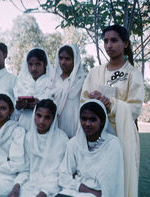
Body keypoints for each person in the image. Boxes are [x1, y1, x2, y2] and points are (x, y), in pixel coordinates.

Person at [80, 24, 144, 197]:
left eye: (114, 40)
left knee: (119, 181)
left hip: (123, 136)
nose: (109, 45)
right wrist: (94, 103)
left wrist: (112, 104)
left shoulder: (132, 74)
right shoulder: (95, 73)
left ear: (125, 44)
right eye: (106, 41)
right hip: (95, 137)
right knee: (95, 181)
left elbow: (135, 109)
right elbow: (83, 102)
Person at [58, 99, 124, 197]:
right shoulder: (74, 143)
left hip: (100, 193)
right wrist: (83, 188)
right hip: (76, 190)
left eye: (92, 119)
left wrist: (94, 193)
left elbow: (110, 183)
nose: (87, 124)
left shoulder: (112, 144)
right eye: (84, 119)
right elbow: (63, 176)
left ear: (102, 121)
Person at [8, 99, 69, 197]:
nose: (41, 121)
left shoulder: (62, 139)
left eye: (47, 117)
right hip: (29, 185)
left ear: (54, 118)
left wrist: (44, 192)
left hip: (52, 188)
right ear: (34, 115)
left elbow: (60, 174)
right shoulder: (28, 137)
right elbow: (25, 169)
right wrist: (16, 186)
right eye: (39, 116)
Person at [48, 44, 87, 138]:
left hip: (74, 125)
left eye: (67, 59)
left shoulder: (82, 80)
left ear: (75, 60)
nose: (63, 62)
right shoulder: (52, 80)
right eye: (60, 58)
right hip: (54, 124)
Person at [14, 48, 52, 130]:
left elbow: (56, 108)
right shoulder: (21, 83)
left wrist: (40, 105)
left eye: (37, 64)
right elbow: (14, 111)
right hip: (23, 125)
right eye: (30, 64)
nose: (33, 68)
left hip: (44, 127)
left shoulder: (52, 82)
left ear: (45, 64)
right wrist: (18, 106)